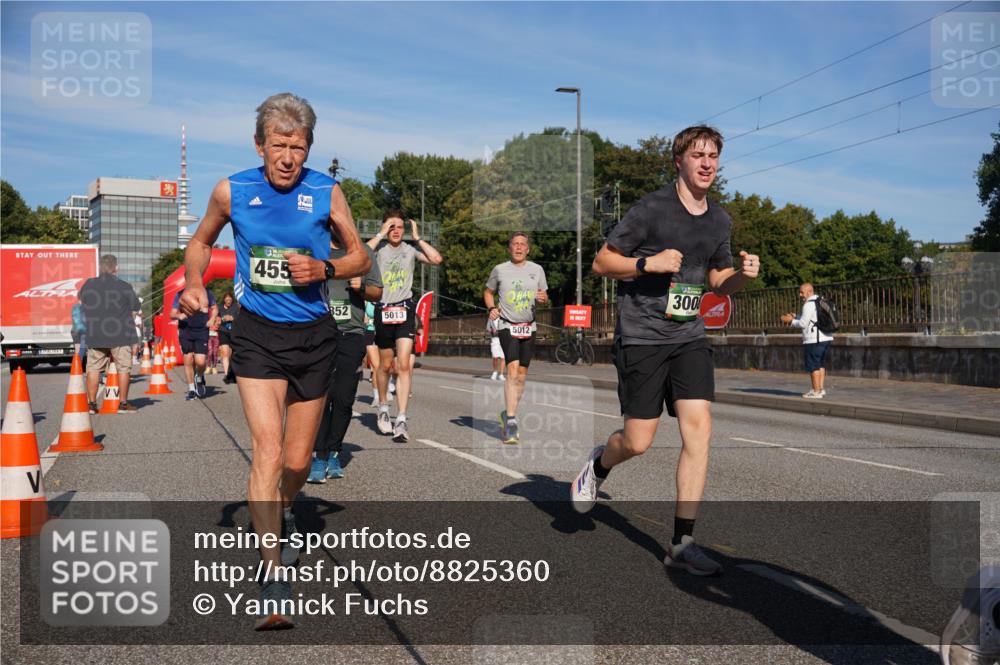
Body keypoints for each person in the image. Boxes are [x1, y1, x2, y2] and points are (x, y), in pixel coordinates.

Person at [178, 92, 369, 630]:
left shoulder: (325, 190)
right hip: (257, 335)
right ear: (259, 145)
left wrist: (324, 268)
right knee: (266, 449)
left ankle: (282, 505)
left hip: (314, 337)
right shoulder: (231, 190)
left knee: (297, 460)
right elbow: (199, 242)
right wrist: (194, 281)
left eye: (300, 148)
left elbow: (360, 255)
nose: (289, 158)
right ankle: (273, 574)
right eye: (280, 146)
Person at [571, 125, 760, 576]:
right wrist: (646, 264)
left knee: (700, 429)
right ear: (679, 160)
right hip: (642, 336)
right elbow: (602, 262)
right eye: (698, 155)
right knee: (637, 441)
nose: (707, 163)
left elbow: (718, 280)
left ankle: (682, 541)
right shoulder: (652, 209)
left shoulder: (720, 220)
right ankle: (598, 465)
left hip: (689, 336)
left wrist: (743, 278)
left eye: (713, 155)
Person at [308, 235, 382, 483]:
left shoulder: (362, 253)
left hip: (351, 334)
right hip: (318, 332)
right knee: (320, 397)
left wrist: (361, 287)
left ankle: (334, 452)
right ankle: (319, 454)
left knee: (343, 398)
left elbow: (377, 292)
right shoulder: (314, 246)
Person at [366, 212, 442, 443]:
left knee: (404, 365)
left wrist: (418, 238)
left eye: (399, 227)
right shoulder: (378, 251)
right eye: (391, 227)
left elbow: (436, 259)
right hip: (383, 310)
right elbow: (362, 254)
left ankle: (401, 418)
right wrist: (380, 233)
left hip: (405, 310)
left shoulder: (410, 250)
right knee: (385, 365)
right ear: (385, 229)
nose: (396, 230)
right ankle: (382, 408)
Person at [484, 232, 548, 444]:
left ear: (528, 249)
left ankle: (508, 412)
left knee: (522, 374)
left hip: (529, 327)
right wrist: (492, 308)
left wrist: (542, 298)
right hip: (507, 325)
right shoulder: (500, 270)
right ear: (509, 248)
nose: (519, 248)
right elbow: (487, 291)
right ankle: (511, 421)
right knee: (512, 369)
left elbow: (544, 295)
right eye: (515, 244)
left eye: (523, 244)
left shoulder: (537, 270)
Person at [78, 254, 141, 414]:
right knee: (123, 369)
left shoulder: (89, 284)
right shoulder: (124, 286)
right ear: (116, 268)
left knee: (93, 369)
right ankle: (123, 404)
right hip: (120, 335)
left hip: (95, 334)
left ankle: (91, 405)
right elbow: (135, 306)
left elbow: (81, 299)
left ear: (100, 268)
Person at [780, 283, 833, 398]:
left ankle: (815, 391)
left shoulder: (808, 304)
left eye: (801, 292)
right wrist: (797, 316)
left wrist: (790, 321)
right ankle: (820, 389)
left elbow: (803, 324)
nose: (800, 295)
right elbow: (812, 319)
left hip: (814, 339)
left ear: (809, 292)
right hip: (826, 337)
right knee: (820, 364)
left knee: (813, 366)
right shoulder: (820, 300)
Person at [171, 288, 217, 399]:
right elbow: (172, 313)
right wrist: (178, 316)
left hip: (201, 330)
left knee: (200, 362)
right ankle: (191, 389)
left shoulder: (207, 292)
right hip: (185, 330)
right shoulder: (181, 294)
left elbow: (214, 308)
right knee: (188, 360)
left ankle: (199, 377)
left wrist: (212, 319)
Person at [217, 291, 240, 383]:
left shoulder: (236, 308)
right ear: (224, 300)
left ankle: (232, 373)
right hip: (223, 332)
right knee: (225, 353)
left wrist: (232, 318)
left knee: (231, 354)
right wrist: (222, 319)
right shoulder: (219, 308)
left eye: (230, 299)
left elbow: (241, 318)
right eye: (227, 299)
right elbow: (217, 320)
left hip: (234, 332)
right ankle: (227, 375)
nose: (228, 301)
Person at [363, 300, 380, 403]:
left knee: (385, 366)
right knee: (376, 366)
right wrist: (364, 319)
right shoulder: (366, 302)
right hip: (369, 332)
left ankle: (385, 388)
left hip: (383, 333)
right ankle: (376, 396)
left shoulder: (385, 300)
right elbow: (362, 317)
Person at [487, 316, 506, 381]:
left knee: (503, 357)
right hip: (495, 339)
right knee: (495, 357)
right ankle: (495, 372)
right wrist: (492, 330)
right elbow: (488, 328)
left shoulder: (504, 316)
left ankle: (501, 374)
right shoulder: (491, 317)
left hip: (503, 339)